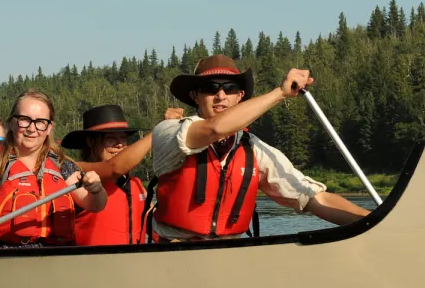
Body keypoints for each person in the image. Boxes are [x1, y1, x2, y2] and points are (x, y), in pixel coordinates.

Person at [151, 54, 368, 241]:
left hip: (227, 254)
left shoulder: (254, 149)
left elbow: (313, 197)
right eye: (210, 88)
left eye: (230, 87)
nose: (221, 96)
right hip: (174, 254)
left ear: (240, 96)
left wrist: (373, 220)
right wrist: (281, 93)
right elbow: (214, 129)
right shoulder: (169, 132)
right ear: (194, 96)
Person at [0, 90, 107, 247]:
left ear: (49, 127)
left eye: (40, 122)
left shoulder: (61, 165)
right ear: (11, 123)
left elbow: (95, 204)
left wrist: (97, 190)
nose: (32, 129)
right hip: (2, 258)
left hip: (54, 259)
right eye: (24, 120)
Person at [61, 104, 182, 245]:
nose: (120, 144)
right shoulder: (76, 174)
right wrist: (160, 130)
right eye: (111, 138)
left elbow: (158, 232)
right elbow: (115, 167)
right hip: (91, 265)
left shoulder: (136, 185)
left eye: (123, 138)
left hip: (134, 265)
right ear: (90, 142)